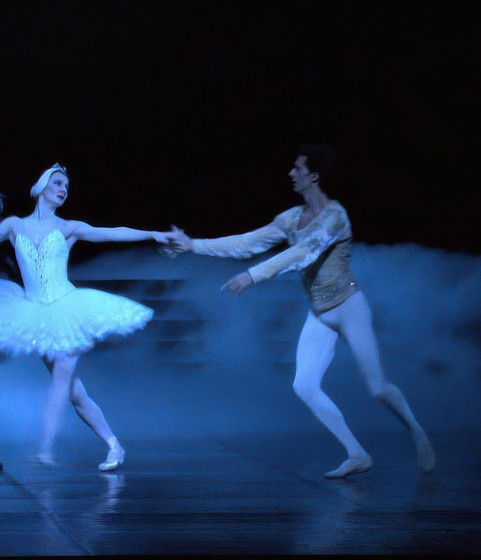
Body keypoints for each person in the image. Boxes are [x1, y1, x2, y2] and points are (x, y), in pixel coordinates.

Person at [164, 145, 436, 478]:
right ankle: (357, 453)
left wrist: (253, 275)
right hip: (319, 311)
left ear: (314, 176)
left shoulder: (336, 217)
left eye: (298, 168)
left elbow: (304, 253)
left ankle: (416, 430)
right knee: (304, 385)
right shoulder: (291, 218)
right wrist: (193, 245)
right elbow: (247, 242)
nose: (291, 173)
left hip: (349, 306)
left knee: (378, 388)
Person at [0, 164, 170, 470]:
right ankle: (114, 445)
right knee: (77, 395)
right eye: (57, 183)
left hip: (67, 309)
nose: (63, 189)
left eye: (66, 186)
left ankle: (45, 447)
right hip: (36, 314)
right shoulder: (14, 225)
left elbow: (112, 233)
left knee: (61, 381)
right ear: (41, 187)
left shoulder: (69, 227)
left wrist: (153, 234)